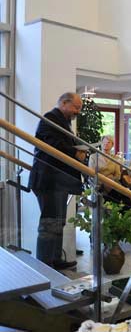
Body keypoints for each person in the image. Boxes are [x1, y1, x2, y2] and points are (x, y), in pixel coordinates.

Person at [29, 92, 86, 269]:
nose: (77, 112)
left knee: (58, 222)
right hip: (49, 180)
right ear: (63, 103)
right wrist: (75, 152)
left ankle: (54, 260)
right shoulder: (50, 118)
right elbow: (53, 145)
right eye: (76, 107)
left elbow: (59, 145)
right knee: (50, 223)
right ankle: (45, 265)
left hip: (58, 181)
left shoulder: (62, 122)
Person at [88, 135, 122, 203]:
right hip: (98, 186)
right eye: (104, 142)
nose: (106, 144)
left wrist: (110, 181)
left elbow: (118, 175)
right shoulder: (93, 157)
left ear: (112, 145)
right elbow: (91, 174)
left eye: (108, 142)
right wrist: (105, 182)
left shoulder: (115, 158)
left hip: (112, 187)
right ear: (101, 143)